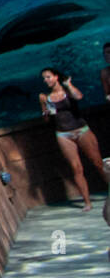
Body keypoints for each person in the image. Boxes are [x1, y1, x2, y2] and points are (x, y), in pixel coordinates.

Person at [38, 67, 105, 211]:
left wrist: (68, 85)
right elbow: (45, 119)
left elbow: (79, 97)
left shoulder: (68, 91)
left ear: (56, 77)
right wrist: (46, 113)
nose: (46, 80)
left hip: (81, 130)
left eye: (48, 77)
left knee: (98, 163)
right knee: (76, 168)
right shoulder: (44, 97)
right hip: (63, 134)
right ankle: (87, 202)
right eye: (44, 78)